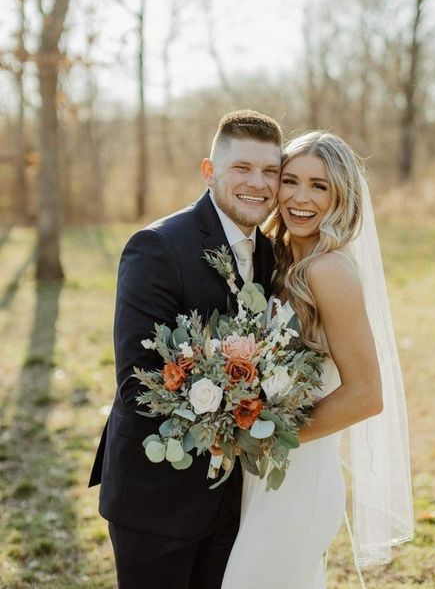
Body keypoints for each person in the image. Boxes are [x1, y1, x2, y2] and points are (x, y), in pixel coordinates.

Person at [88, 110, 283, 589]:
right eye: (242, 168)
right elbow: (138, 380)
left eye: (270, 172)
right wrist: (229, 409)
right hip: (157, 497)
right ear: (209, 171)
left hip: (234, 497)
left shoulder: (271, 253)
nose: (257, 183)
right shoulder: (157, 246)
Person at [221, 131, 414, 589]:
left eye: (319, 186)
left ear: (340, 196)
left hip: (297, 478)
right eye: (290, 180)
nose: (300, 198)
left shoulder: (329, 270)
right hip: (262, 476)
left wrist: (263, 439)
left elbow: (366, 396)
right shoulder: (280, 264)